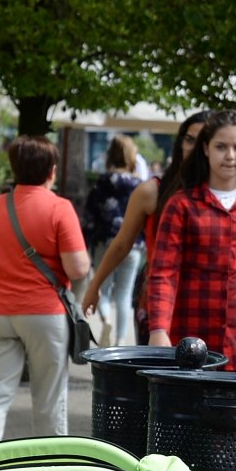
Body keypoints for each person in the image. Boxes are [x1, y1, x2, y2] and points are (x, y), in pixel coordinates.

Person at [0, 137, 90, 447]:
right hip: (45, 314)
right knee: (49, 398)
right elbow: (78, 268)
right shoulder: (59, 208)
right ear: (51, 171)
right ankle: (49, 464)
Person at [144, 109, 236, 374]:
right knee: (187, 415)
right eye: (221, 146)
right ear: (206, 149)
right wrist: (159, 329)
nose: (230, 156)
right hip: (189, 338)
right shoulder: (181, 205)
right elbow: (163, 273)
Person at [82, 111, 207, 343]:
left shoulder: (231, 198)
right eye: (190, 139)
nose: (196, 147)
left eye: (204, 140)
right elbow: (122, 242)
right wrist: (95, 284)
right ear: (180, 143)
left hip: (209, 302)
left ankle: (117, 338)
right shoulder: (151, 191)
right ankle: (119, 340)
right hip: (159, 299)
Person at [81, 136, 144, 347]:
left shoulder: (102, 182)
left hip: (105, 242)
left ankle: (106, 320)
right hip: (134, 245)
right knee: (124, 294)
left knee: (103, 289)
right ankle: (120, 339)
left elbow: (90, 216)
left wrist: (87, 242)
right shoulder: (140, 185)